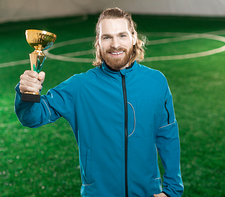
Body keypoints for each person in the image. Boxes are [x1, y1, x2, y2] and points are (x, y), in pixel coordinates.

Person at [15, 7, 184, 197]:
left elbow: (168, 135)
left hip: (147, 192)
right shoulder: (80, 86)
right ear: (98, 42)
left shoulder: (156, 82)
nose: (115, 44)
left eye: (122, 35)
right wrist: (27, 93)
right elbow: (32, 118)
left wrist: (172, 191)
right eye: (107, 37)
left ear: (134, 37)